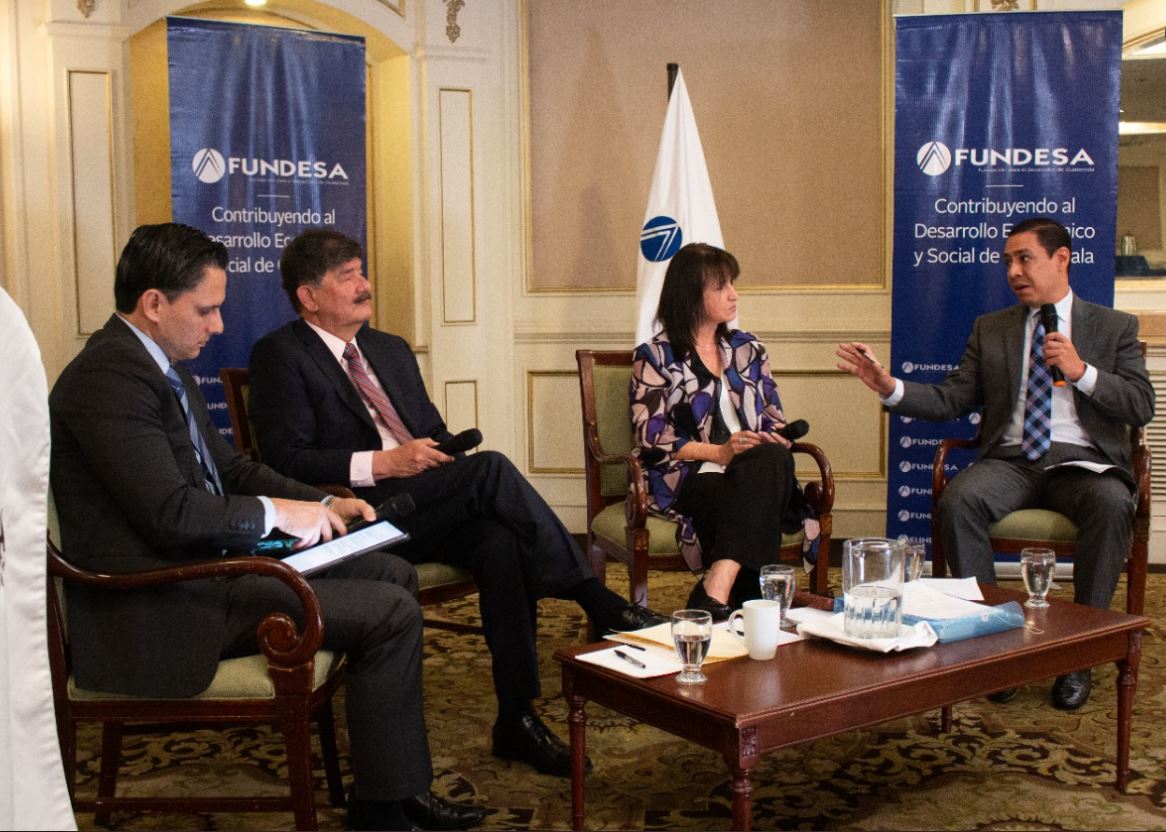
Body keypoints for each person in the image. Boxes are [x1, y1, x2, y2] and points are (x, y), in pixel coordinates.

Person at [49, 223, 485, 832]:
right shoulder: (108, 379)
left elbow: (229, 468)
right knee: (390, 610)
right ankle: (385, 810)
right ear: (153, 303)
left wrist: (327, 503)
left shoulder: (155, 365)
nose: (219, 326)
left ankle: (390, 788)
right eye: (206, 309)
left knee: (387, 568)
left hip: (203, 572)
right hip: (159, 603)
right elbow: (169, 513)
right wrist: (282, 515)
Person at [247, 229, 666, 778]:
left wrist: (439, 453)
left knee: (500, 542)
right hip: (356, 516)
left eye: (361, 271)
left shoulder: (389, 349)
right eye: (347, 276)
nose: (364, 284)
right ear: (308, 295)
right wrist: (381, 464)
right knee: (490, 469)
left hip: (424, 505)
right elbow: (286, 461)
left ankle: (516, 718)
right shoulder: (281, 354)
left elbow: (432, 433)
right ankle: (593, 597)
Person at [836, 217, 1154, 711]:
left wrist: (1082, 372)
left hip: (1083, 464)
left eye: (1024, 258)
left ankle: (1078, 656)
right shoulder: (993, 329)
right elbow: (951, 399)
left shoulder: (1114, 328)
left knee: (1113, 504)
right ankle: (994, 651)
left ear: (1062, 259)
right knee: (959, 500)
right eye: (1007, 261)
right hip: (1012, 461)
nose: (1013, 271)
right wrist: (888, 386)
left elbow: (1141, 405)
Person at [629, 242, 818, 623]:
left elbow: (771, 417)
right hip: (691, 476)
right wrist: (718, 453)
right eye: (720, 286)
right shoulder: (654, 356)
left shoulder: (748, 349)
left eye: (732, 283)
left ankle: (715, 590)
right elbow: (652, 437)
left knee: (768, 460)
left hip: (756, 469)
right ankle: (754, 607)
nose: (733, 294)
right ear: (690, 295)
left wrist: (773, 435)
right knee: (754, 501)